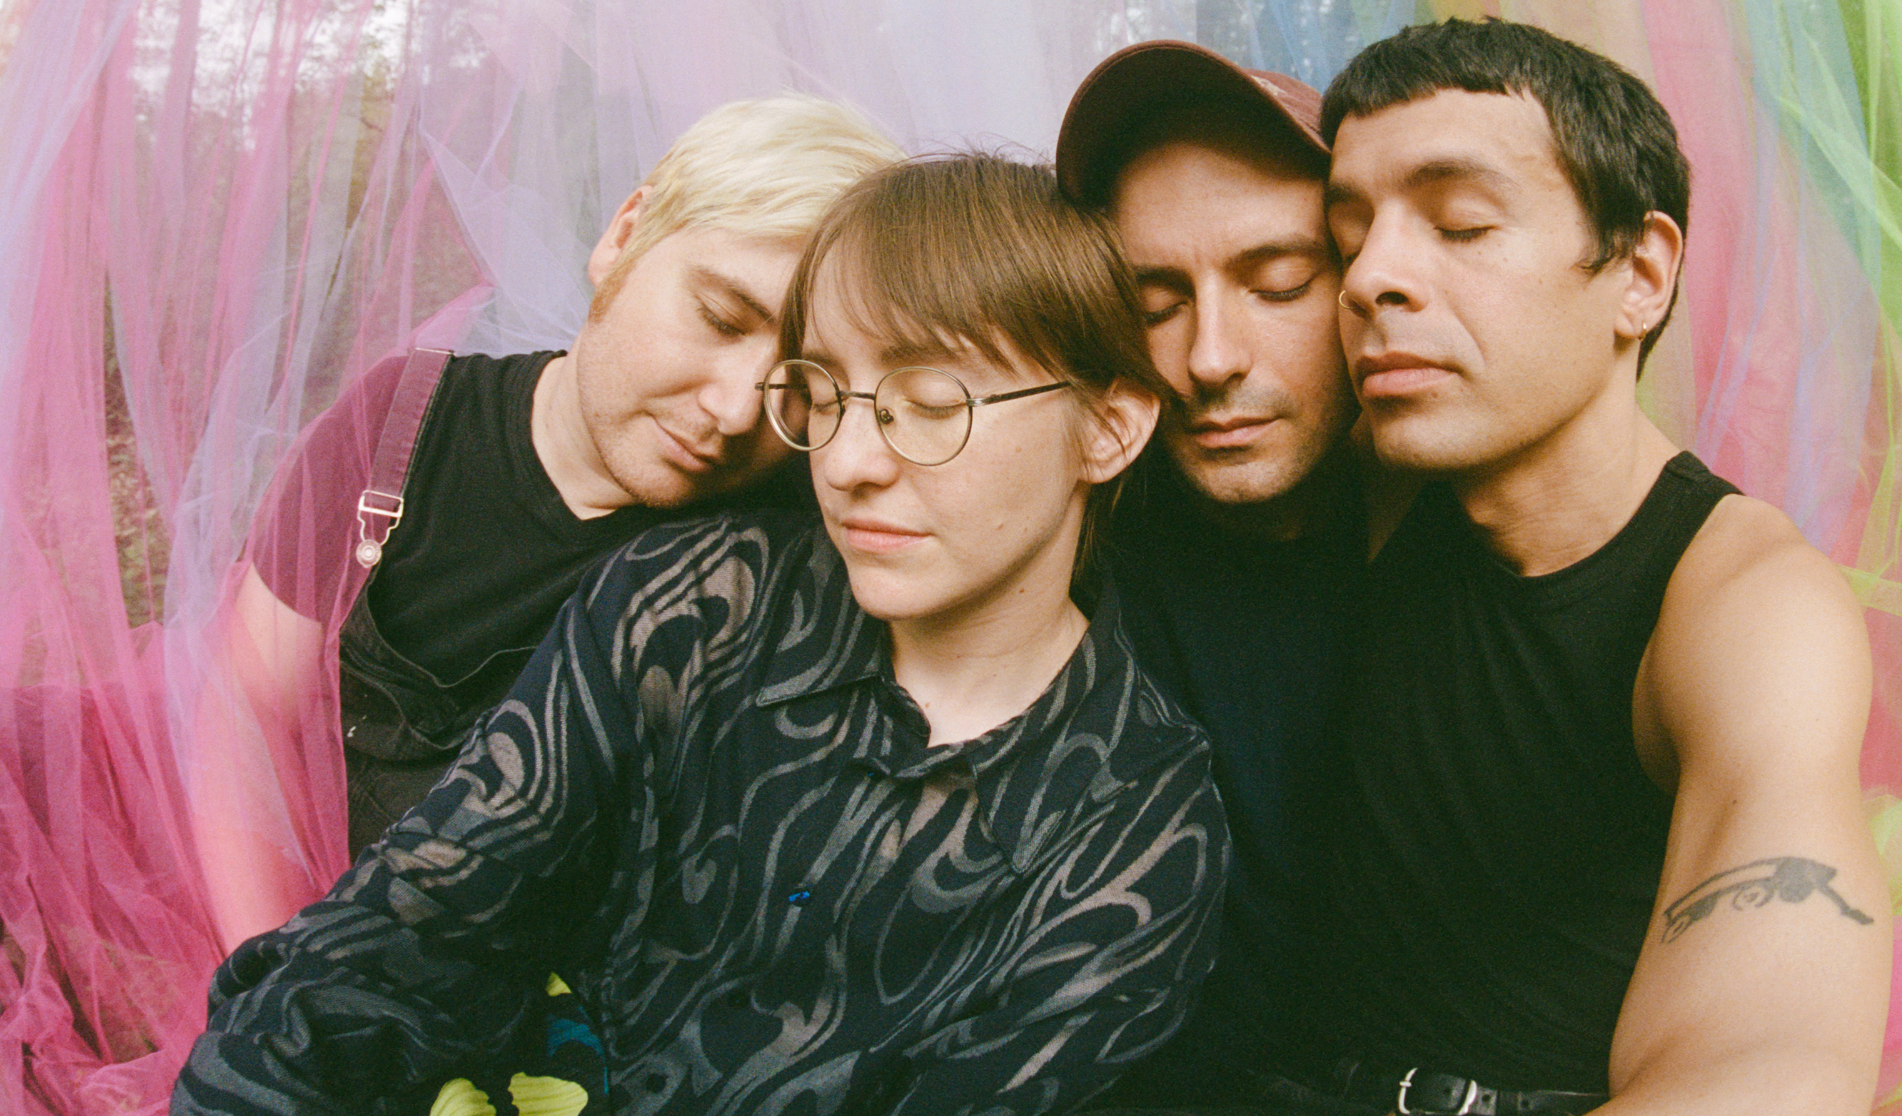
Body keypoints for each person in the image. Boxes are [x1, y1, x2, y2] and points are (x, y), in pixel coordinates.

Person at [171, 153, 1231, 1116]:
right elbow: (408, 926)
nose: (847, 462)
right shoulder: (691, 602)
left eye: (928, 402)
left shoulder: (1137, 839)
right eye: (824, 394)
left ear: (1108, 427)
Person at [1306, 19, 1890, 1115]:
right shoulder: (1369, 487)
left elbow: (1770, 1066)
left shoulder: (1749, 603)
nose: (1370, 278)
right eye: (1346, 239)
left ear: (1640, 274)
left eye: (1461, 224)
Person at [191, 95, 904, 945]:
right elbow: (246, 709)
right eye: (720, 319)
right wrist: (264, 978)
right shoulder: (403, 427)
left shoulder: (795, 539)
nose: (737, 409)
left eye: (803, 380)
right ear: (624, 236)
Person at [1053, 42, 1380, 1103]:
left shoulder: (1464, 546)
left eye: (1277, 282)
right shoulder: (1059, 554)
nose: (1208, 358)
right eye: (1153, 303)